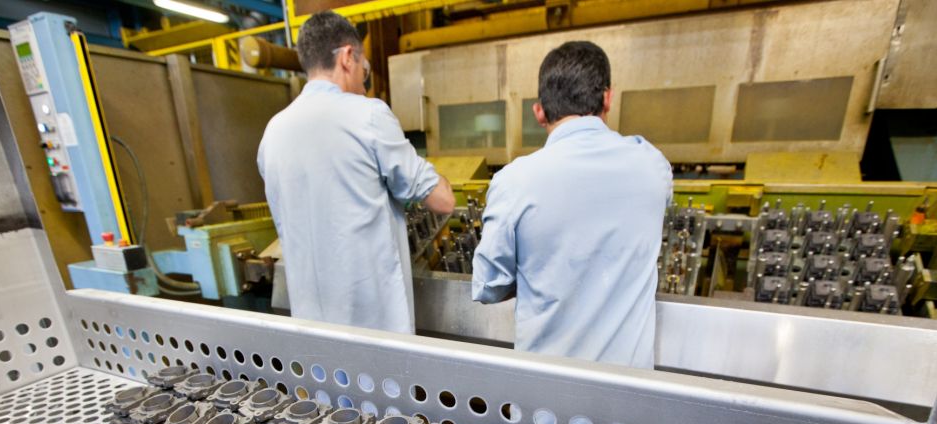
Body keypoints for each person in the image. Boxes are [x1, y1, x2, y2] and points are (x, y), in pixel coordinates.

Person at [471, 41, 672, 368]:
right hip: (630, 394)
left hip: (545, 393)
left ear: (539, 112)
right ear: (608, 98)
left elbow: (488, 286)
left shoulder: (514, 182)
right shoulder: (653, 165)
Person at [257, 11, 454, 334]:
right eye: (365, 70)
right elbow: (443, 201)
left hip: (311, 326)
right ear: (347, 57)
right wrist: (437, 178)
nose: (364, 84)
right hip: (373, 329)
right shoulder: (368, 115)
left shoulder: (272, 133)